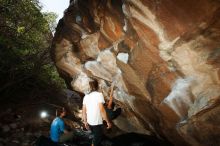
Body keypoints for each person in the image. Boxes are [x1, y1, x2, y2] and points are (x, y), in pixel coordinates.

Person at [82, 80, 112, 146]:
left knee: (96, 136)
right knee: (96, 140)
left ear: (89, 86)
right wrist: (107, 121)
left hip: (90, 122)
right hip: (96, 123)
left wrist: (85, 122)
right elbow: (102, 109)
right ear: (97, 86)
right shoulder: (99, 95)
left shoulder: (86, 97)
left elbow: (84, 111)